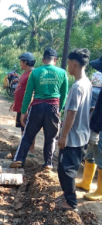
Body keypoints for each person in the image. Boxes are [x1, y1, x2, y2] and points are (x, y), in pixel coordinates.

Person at [10, 48, 68, 169]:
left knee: (27, 135)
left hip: (37, 107)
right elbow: (64, 95)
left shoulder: (35, 72)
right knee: (51, 137)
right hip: (53, 107)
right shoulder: (62, 73)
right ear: (55, 60)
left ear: (43, 60)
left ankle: (19, 159)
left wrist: (23, 111)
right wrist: (60, 109)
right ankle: (48, 163)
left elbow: (28, 93)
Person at [54, 49, 92, 211]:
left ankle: (71, 202)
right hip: (82, 134)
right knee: (71, 167)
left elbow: (71, 113)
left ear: (74, 64)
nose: (68, 66)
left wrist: (63, 136)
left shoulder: (77, 87)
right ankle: (68, 195)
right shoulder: (87, 83)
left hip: (73, 137)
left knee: (65, 169)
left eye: (69, 63)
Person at [77, 55, 102, 201]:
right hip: (97, 127)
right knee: (90, 155)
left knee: (101, 158)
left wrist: (97, 130)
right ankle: (86, 183)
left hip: (100, 129)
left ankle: (100, 190)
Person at [9, 52, 36, 156]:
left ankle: (31, 150)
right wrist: (15, 102)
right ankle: (23, 145)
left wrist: (28, 106)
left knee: (28, 127)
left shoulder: (32, 74)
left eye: (21, 61)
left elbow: (31, 92)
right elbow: (20, 88)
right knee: (22, 127)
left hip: (27, 107)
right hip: (21, 106)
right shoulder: (25, 73)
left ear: (25, 62)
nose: (20, 63)